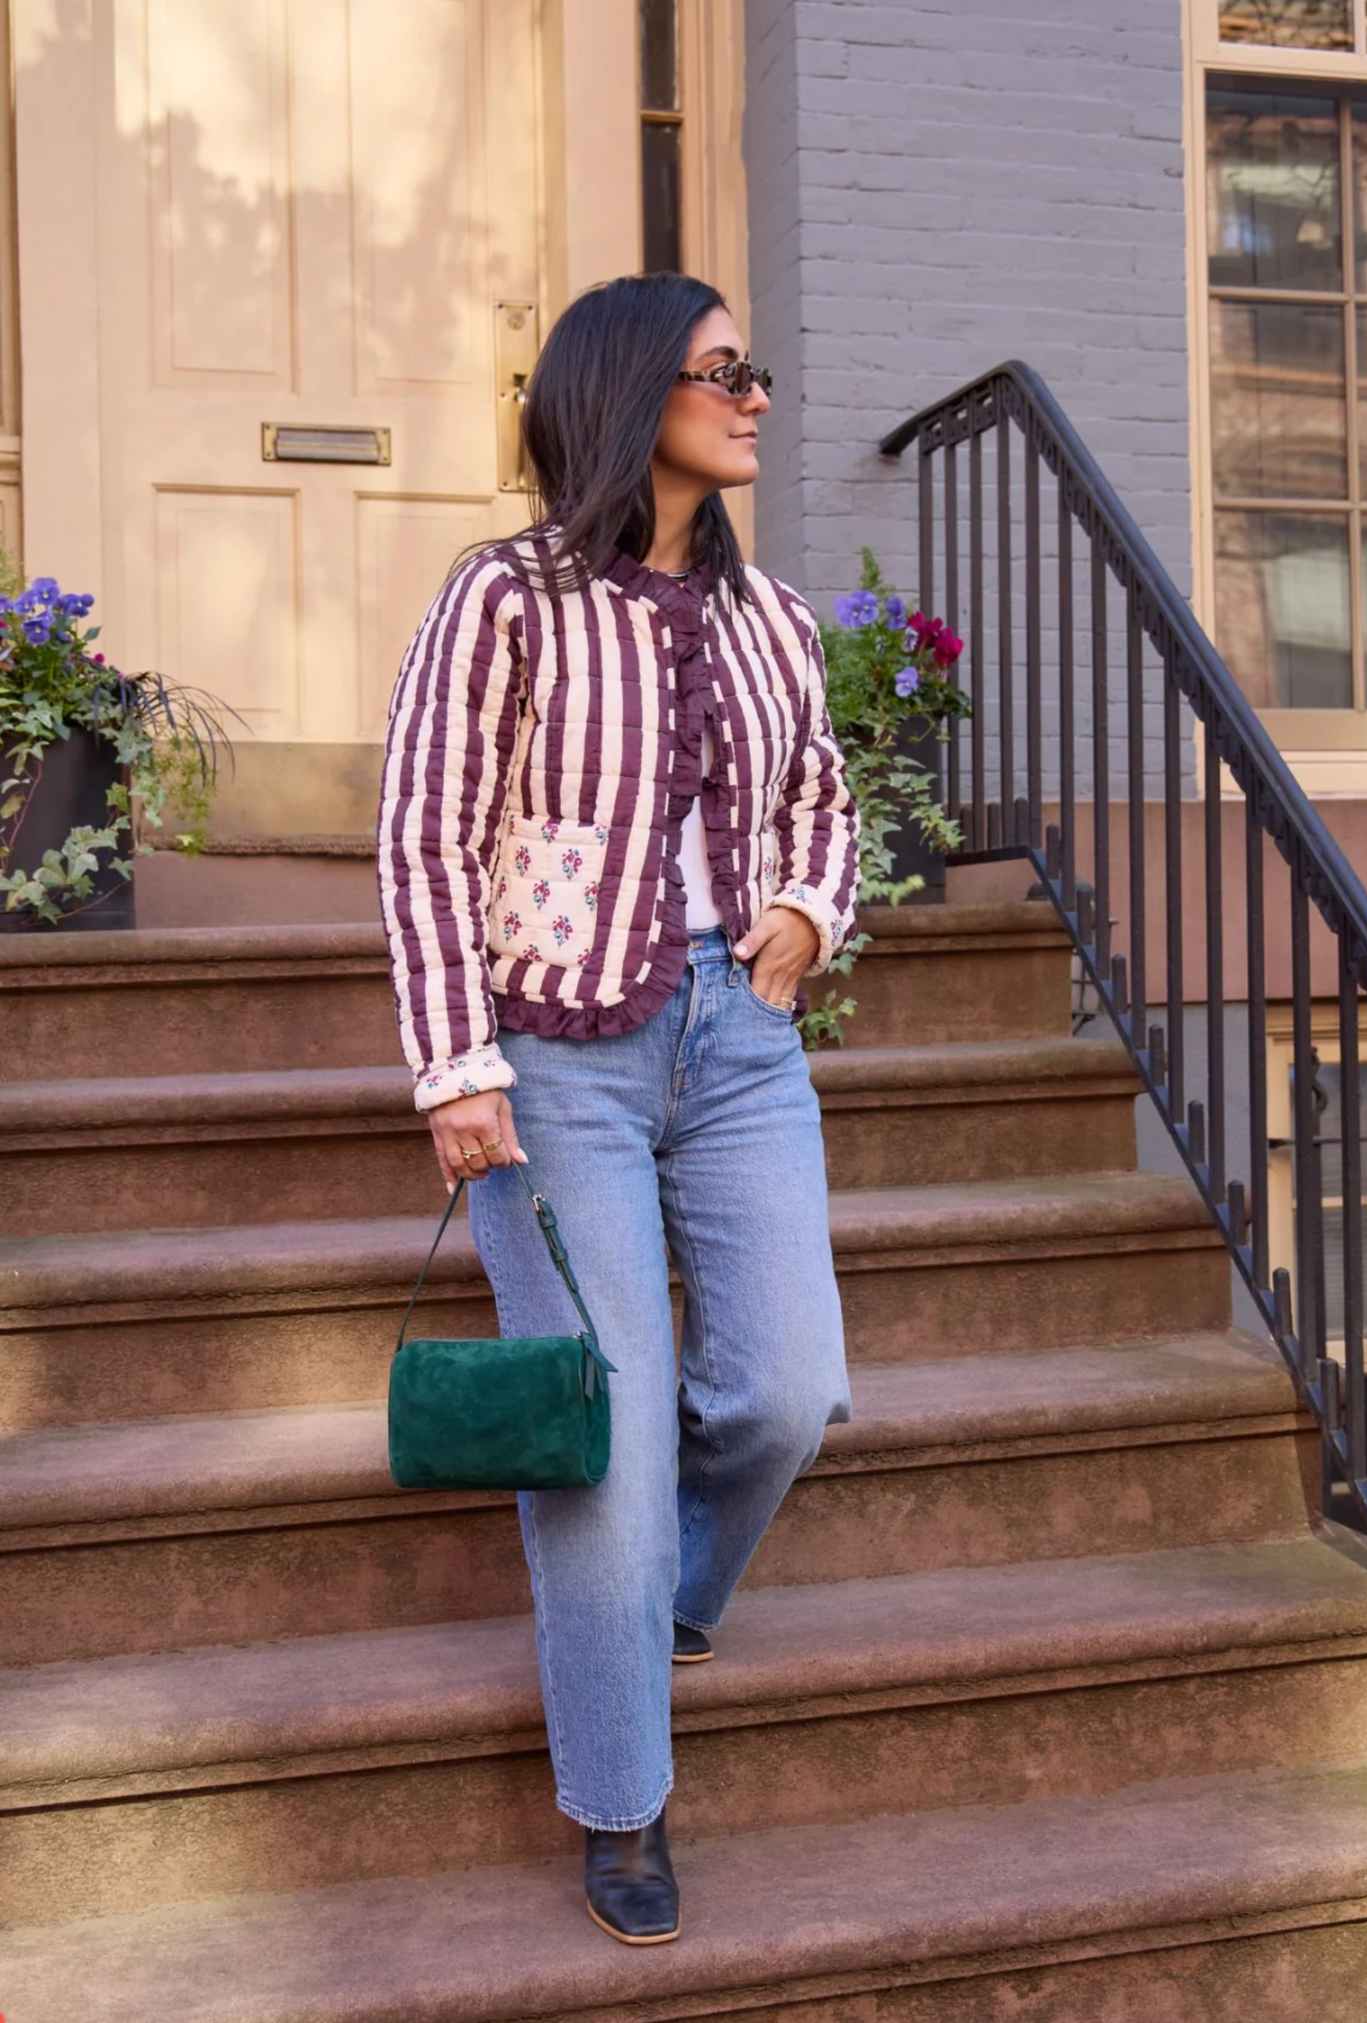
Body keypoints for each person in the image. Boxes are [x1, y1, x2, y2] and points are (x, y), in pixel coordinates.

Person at [377, 272, 859, 1945]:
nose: (755, 395)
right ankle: (623, 1796)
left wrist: (808, 910)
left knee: (790, 1387)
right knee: (604, 1436)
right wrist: (457, 1062)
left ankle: (662, 1603)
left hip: (739, 1043)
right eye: (725, 369)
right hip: (551, 1058)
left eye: (755, 370)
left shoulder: (776, 620)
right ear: (629, 386)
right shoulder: (503, 600)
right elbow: (428, 835)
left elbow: (823, 799)